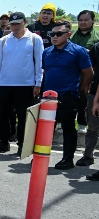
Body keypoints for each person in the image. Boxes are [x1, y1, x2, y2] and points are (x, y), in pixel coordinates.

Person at [0, 12, 44, 154]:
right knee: (2, 115)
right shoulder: (3, 41)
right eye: (12, 24)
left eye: (18, 23)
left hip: (26, 84)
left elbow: (39, 63)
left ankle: (22, 144)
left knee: (24, 116)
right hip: (4, 84)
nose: (15, 26)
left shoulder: (35, 39)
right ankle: (3, 141)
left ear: (25, 22)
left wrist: (38, 83)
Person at [41, 21, 93, 169]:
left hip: (68, 95)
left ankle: (67, 159)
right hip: (48, 96)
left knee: (68, 127)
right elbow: (46, 72)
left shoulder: (78, 51)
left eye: (59, 34)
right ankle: (41, 156)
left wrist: (79, 88)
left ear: (68, 34)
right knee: (46, 128)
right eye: (52, 34)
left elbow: (89, 73)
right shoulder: (47, 52)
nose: (54, 37)